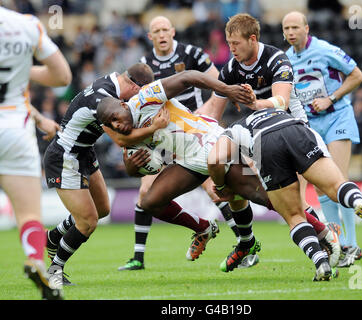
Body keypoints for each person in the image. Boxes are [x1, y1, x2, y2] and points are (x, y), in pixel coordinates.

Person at [197, 13, 341, 267]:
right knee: (234, 180)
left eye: (235, 44)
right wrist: (196, 129)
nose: (230, 49)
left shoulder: (276, 59)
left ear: (252, 39)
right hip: (260, 136)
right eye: (228, 43)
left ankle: (328, 239)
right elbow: (213, 112)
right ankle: (247, 243)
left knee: (295, 203)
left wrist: (253, 103)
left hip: (292, 131)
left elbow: (281, 103)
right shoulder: (230, 68)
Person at [118, 16, 255, 272]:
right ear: (150, 36)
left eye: (164, 29)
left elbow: (217, 79)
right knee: (146, 192)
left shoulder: (191, 53)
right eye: (155, 31)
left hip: (193, 129)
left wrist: (210, 108)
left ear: (172, 31)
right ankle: (138, 256)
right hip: (159, 133)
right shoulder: (144, 66)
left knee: (214, 188)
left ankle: (243, 244)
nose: (161, 34)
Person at [207, 107, 362, 280]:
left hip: (265, 143)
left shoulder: (234, 128)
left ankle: (321, 262)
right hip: (297, 129)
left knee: (294, 215)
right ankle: (358, 202)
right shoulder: (278, 111)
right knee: (337, 185)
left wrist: (221, 186)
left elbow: (215, 160)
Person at [96, 68, 254, 266]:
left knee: (236, 192)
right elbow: (132, 165)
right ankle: (203, 229)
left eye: (115, 118)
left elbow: (191, 76)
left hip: (205, 137)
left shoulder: (146, 97)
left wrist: (226, 90)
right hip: (183, 157)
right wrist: (130, 166)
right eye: (111, 124)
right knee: (148, 200)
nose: (116, 125)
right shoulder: (129, 131)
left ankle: (248, 243)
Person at [43, 63, 169, 286]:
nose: (139, 99)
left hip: (84, 152)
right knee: (88, 221)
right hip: (65, 157)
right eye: (141, 93)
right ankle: (54, 270)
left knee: (102, 209)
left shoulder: (110, 87)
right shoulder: (103, 99)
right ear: (134, 85)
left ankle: (52, 238)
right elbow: (121, 139)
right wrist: (153, 128)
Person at [283, 11, 362, 267]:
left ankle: (351, 245)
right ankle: (339, 243)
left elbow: (357, 75)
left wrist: (331, 98)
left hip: (337, 118)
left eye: (295, 27)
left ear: (307, 28)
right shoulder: (286, 59)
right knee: (321, 187)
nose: (290, 32)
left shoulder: (325, 50)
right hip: (312, 125)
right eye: (286, 28)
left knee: (338, 182)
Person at [0, 7, 72, 299]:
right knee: (28, 211)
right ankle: (35, 259)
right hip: (15, 127)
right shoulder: (27, 25)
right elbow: (62, 76)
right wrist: (22, 72)